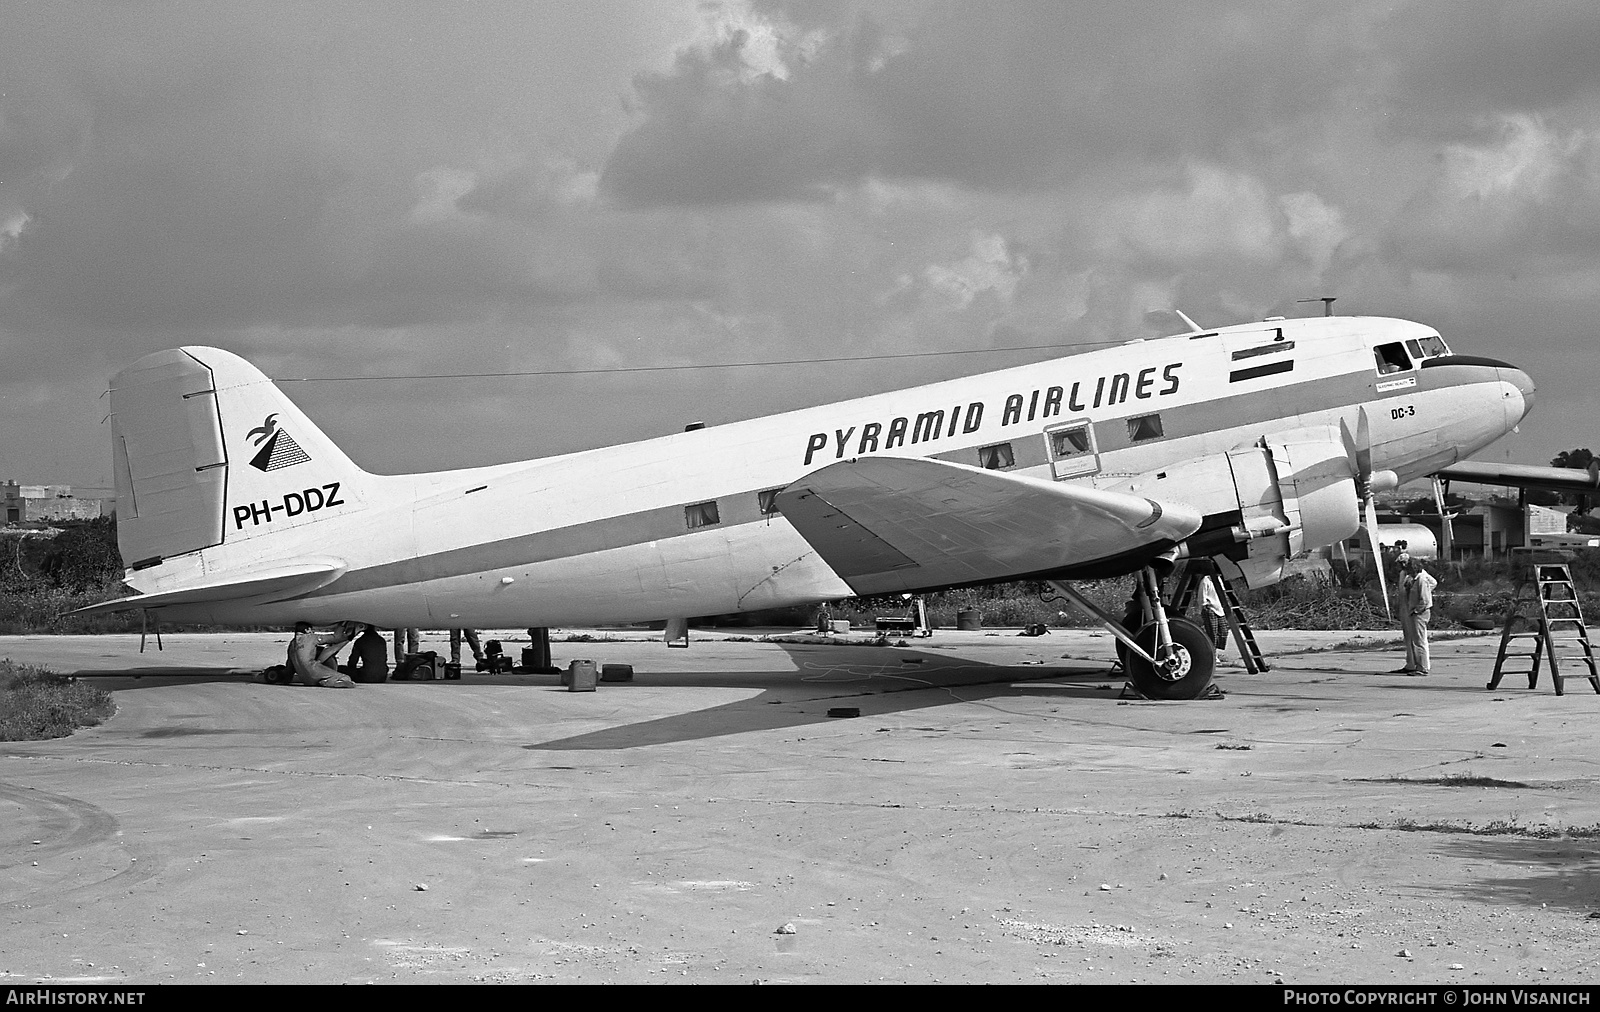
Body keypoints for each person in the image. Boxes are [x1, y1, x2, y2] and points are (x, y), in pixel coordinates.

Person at [1393, 554, 1438, 676]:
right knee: (1410, 638)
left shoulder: (1421, 577)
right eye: (1400, 563)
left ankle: (1423, 666)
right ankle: (1411, 664)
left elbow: (1432, 585)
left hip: (1416, 610)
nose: (1402, 565)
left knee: (1419, 640)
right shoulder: (1407, 575)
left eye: (1404, 563)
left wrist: (1418, 606)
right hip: (1407, 606)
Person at [290, 621, 356, 688]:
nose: (313, 631)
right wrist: (342, 626)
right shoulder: (311, 637)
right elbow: (335, 638)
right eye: (311, 629)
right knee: (346, 678)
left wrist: (285, 679)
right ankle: (329, 682)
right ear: (306, 630)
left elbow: (289, 665)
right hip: (313, 670)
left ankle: (325, 681)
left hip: (305, 680)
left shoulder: (291, 644)